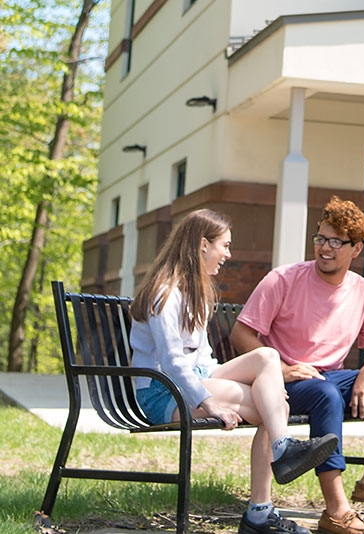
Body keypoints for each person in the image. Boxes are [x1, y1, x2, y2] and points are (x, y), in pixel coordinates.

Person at [130, 208, 338, 534]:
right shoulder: (165, 294)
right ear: (202, 245)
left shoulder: (196, 291)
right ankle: (260, 510)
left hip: (194, 379)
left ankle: (278, 459)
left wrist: (254, 381)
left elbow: (204, 357)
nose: (228, 254)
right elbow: (171, 361)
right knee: (276, 410)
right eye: (223, 246)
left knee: (267, 358)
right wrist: (209, 401)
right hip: (163, 392)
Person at [230, 196, 364, 534]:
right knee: (325, 394)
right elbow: (241, 333)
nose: (325, 248)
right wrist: (279, 370)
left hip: (331, 378)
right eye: (320, 238)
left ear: (356, 249)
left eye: (336, 242)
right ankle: (336, 511)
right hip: (288, 382)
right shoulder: (284, 279)